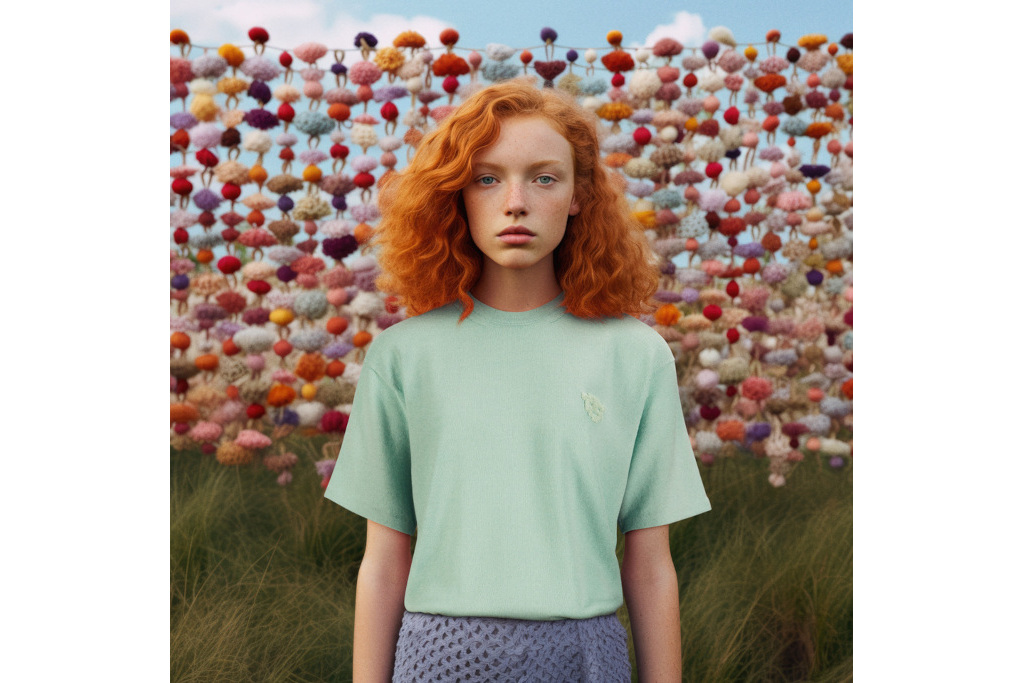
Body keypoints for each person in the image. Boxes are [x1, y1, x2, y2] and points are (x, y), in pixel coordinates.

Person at [324, 79, 711, 682]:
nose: (515, 202)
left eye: (544, 177)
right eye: (487, 178)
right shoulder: (404, 357)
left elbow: (651, 565)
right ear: (456, 195)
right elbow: (382, 561)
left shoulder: (636, 357)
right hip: (436, 658)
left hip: (589, 657)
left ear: (580, 195)